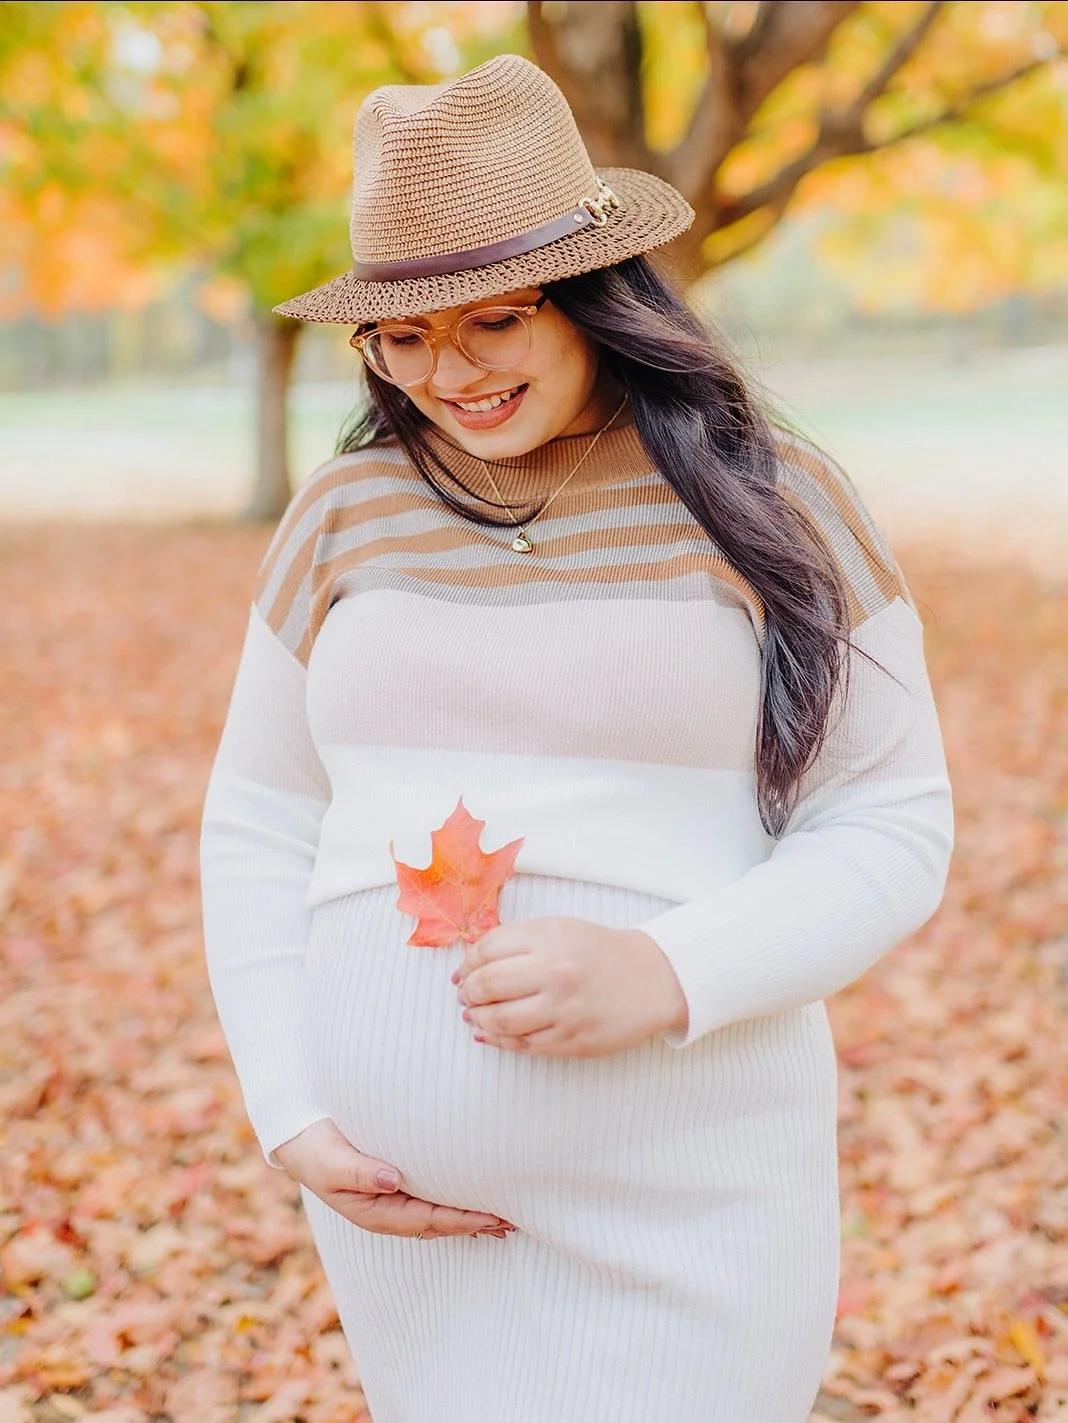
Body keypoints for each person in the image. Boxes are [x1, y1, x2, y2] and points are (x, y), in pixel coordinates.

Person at [199, 52, 953, 1423]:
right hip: (406, 1223)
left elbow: (895, 820)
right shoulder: (344, 514)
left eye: (493, 320)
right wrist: (288, 1099)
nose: (451, 376)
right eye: (403, 338)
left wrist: (666, 970)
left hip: (695, 1190)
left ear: (603, 296)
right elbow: (258, 814)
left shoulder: (770, 501)